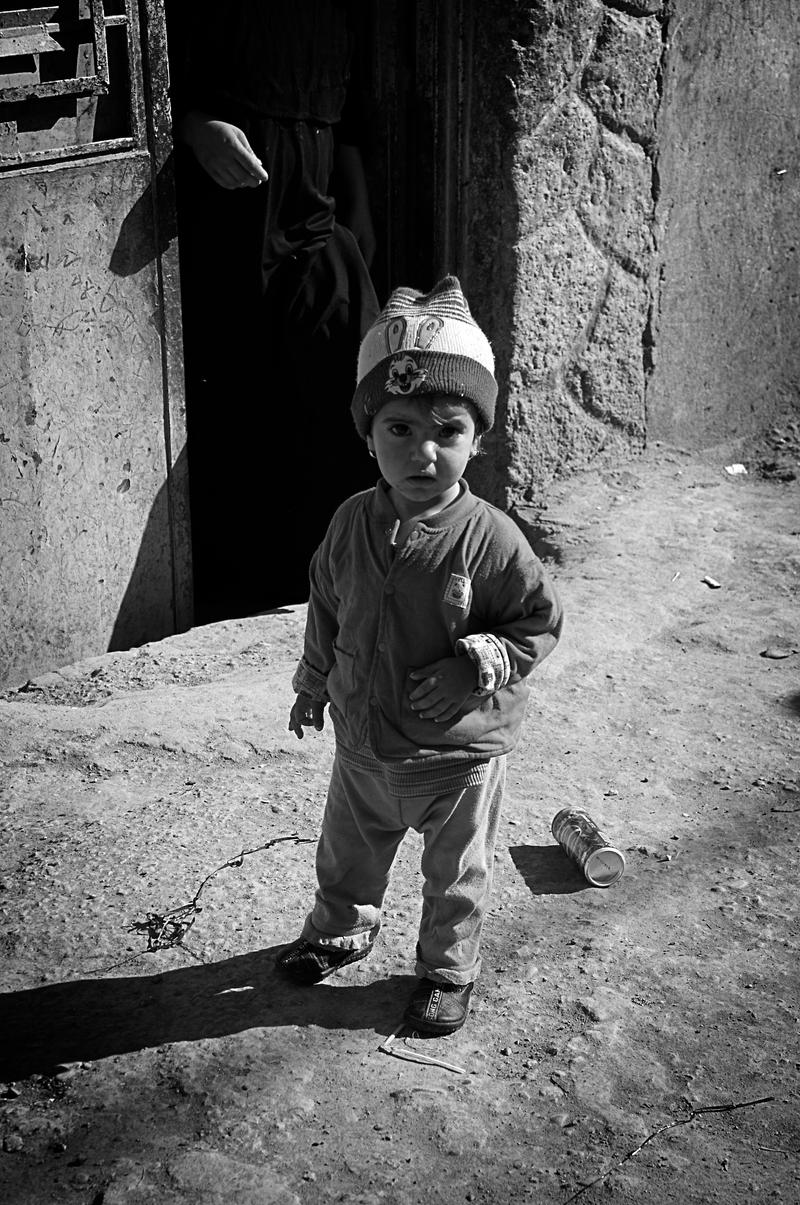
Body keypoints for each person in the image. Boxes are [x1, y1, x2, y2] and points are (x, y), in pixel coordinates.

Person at [275, 276, 564, 1036]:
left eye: (449, 430)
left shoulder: (492, 538)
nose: (423, 452)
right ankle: (340, 929)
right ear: (368, 431)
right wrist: (313, 683)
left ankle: (446, 970)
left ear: (479, 436)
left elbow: (538, 620)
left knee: (456, 875)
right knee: (347, 855)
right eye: (399, 428)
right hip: (364, 746)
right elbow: (327, 607)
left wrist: (476, 664)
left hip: (456, 760)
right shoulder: (348, 524)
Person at [166, 2, 380, 620]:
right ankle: (244, 589)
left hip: (317, 217)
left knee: (354, 369)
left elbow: (349, 114)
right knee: (237, 396)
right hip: (225, 220)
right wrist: (194, 126)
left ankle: (349, 569)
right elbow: (152, 76)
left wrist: (358, 206)